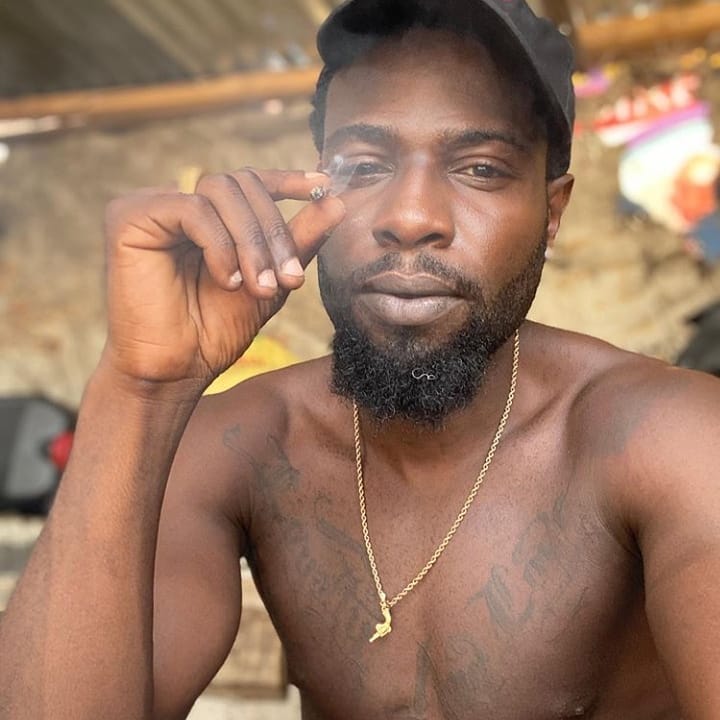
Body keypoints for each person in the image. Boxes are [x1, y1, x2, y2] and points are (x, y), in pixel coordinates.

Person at [1, 0, 719, 717]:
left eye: (479, 168)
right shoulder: (242, 445)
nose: (410, 217)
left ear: (551, 212)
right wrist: (140, 387)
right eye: (365, 166)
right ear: (315, 191)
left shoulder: (672, 440)